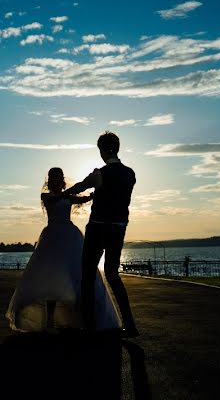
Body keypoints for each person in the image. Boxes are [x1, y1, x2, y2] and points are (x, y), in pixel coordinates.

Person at [6, 167, 122, 333]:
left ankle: (81, 317)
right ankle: (50, 320)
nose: (56, 180)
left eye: (58, 177)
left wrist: (93, 192)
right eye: (53, 177)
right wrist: (75, 190)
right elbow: (56, 199)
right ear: (50, 180)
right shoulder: (46, 196)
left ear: (62, 179)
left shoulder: (68, 196)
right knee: (51, 278)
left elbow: (81, 199)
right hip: (52, 237)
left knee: (76, 274)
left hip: (69, 235)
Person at [65, 131, 139, 338]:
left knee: (87, 276)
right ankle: (130, 325)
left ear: (103, 150)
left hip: (98, 227)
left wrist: (63, 194)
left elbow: (80, 186)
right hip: (119, 227)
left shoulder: (100, 173)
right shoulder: (130, 173)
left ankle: (89, 327)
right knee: (113, 274)